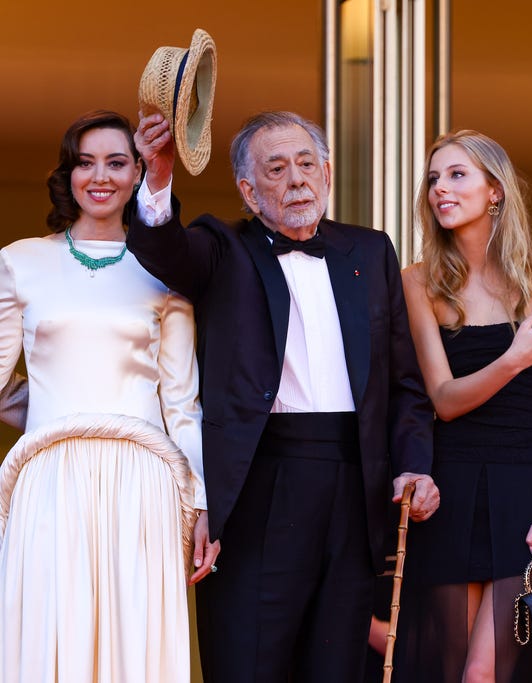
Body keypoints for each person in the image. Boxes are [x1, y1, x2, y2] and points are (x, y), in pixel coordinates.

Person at [129, 110, 439, 681]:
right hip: (259, 484)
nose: (297, 179)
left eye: (305, 164)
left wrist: (414, 464)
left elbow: (403, 382)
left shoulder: (370, 252)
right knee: (249, 658)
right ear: (248, 190)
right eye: (276, 168)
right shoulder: (222, 247)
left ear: (326, 172)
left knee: (337, 664)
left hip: (355, 483)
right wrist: (157, 178)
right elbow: (167, 252)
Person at [0, 110, 215, 682]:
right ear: (67, 174)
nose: (100, 176)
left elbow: (182, 404)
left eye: (117, 163)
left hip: (142, 482)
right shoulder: (20, 262)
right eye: (85, 162)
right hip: (51, 477)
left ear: (139, 172)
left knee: (134, 643)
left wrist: (200, 502)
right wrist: (60, 425)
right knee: (50, 636)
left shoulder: (166, 273)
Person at [397, 130, 532, 682]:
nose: (440, 188)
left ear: (495, 191)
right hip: (450, 493)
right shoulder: (418, 282)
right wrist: (516, 355)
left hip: (528, 496)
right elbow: (444, 400)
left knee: (491, 672)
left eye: (457, 175)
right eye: (433, 178)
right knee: (450, 668)